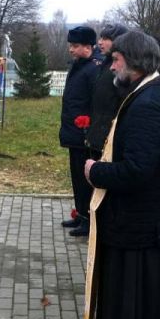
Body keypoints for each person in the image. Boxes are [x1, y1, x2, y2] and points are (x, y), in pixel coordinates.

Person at [83, 31, 160, 319]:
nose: (112, 64)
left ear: (136, 60)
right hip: (138, 222)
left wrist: (96, 172)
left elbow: (138, 170)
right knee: (129, 303)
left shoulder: (150, 104)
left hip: (141, 226)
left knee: (135, 307)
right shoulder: (148, 93)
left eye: (117, 59)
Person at [60, 25, 100, 237]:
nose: (71, 49)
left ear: (88, 47)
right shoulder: (78, 66)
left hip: (84, 133)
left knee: (85, 178)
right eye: (71, 45)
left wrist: (88, 128)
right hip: (73, 132)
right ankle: (80, 213)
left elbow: (95, 103)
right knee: (76, 176)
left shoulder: (93, 69)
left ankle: (88, 219)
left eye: (75, 46)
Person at [86, 23, 129, 161]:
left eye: (106, 38)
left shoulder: (122, 69)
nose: (100, 42)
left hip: (110, 139)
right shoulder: (104, 65)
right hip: (97, 136)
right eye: (100, 38)